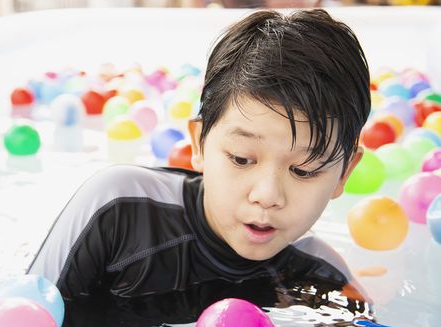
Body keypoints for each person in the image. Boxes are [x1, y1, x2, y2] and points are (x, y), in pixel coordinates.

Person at [28, 9, 370, 303]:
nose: (266, 195)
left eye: (304, 169)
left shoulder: (320, 276)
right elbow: (11, 326)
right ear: (199, 144)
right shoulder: (117, 211)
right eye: (240, 158)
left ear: (344, 173)